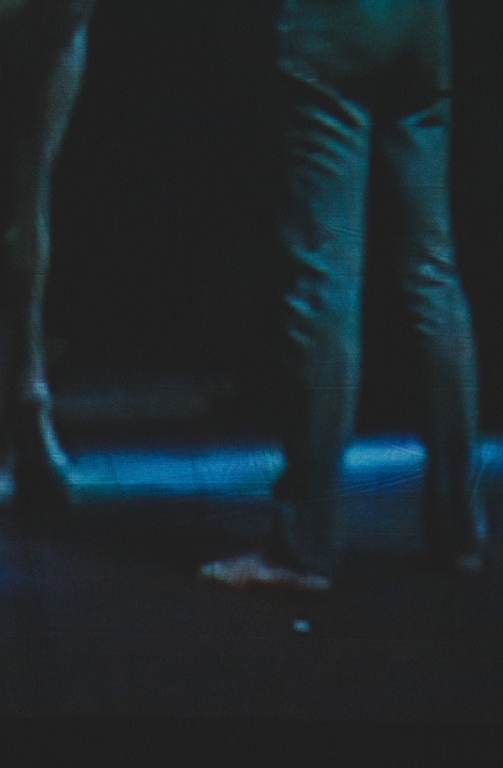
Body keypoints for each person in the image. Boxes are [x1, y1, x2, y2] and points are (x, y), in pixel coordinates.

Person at [201, 0, 488, 591]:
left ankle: (305, 543)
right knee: (431, 271)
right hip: (422, 22)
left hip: (333, 23)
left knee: (324, 276)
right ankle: (458, 531)